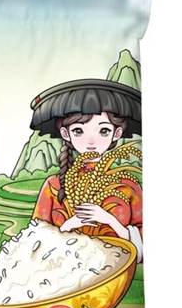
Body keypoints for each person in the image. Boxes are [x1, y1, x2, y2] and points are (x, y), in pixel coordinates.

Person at [29, 79, 143, 262]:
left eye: (103, 131)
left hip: (116, 272)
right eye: (79, 131)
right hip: (62, 273)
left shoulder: (128, 186)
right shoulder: (54, 185)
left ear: (117, 133)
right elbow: (33, 238)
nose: (91, 141)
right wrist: (67, 227)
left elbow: (145, 241)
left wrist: (109, 220)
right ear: (65, 134)